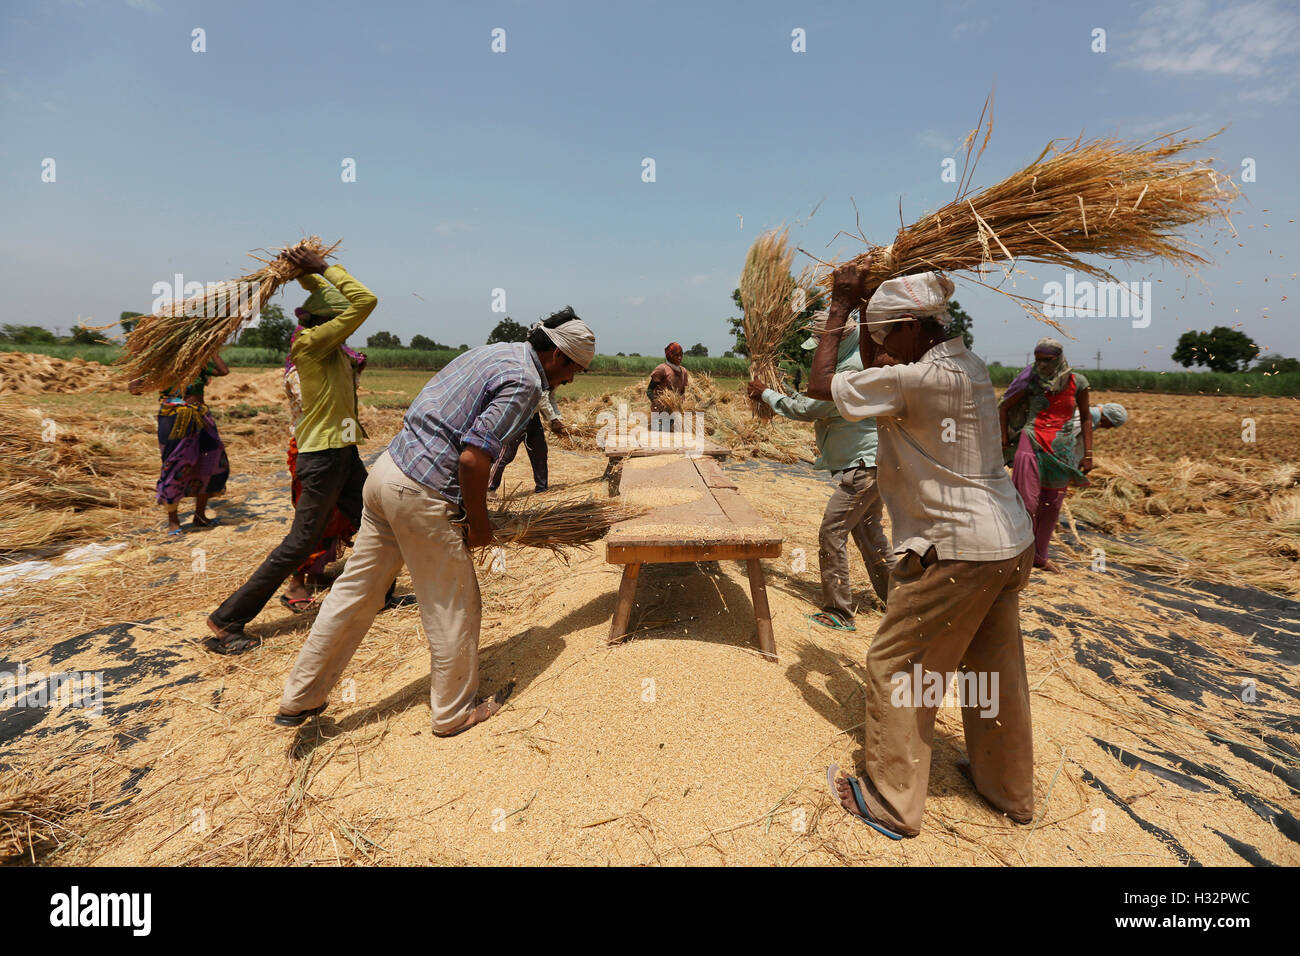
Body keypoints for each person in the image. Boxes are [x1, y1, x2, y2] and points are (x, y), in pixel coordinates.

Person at [275, 308, 596, 736]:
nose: (571, 380)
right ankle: (452, 713)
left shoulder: (496, 352)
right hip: (421, 494)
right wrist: (479, 526)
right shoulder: (526, 381)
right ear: (558, 356)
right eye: (574, 369)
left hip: (388, 472)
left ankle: (299, 698)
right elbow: (473, 457)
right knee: (455, 605)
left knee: (353, 594)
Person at [806, 263, 1035, 840]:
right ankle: (1007, 790)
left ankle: (891, 802)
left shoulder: (918, 381)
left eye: (886, 335)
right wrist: (866, 310)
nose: (879, 349)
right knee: (993, 669)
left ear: (912, 327)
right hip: (1009, 541)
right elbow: (881, 363)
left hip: (957, 549)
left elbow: (819, 387)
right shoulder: (969, 365)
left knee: (895, 664)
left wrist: (838, 308)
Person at [205, 246, 377, 654]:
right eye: (341, 320)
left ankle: (378, 593)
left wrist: (304, 274)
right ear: (326, 322)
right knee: (300, 543)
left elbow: (346, 301)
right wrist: (326, 269)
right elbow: (365, 300)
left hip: (343, 452)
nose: (348, 327)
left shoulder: (330, 347)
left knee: (374, 521)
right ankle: (227, 620)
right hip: (321, 457)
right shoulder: (313, 345)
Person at [746, 322, 891, 630]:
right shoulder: (855, 362)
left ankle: (839, 612)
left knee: (832, 531)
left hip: (863, 467)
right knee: (868, 534)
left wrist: (767, 394)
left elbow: (809, 408)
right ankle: (898, 600)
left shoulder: (849, 370)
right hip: (875, 463)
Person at [279, 305, 369, 611]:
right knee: (312, 524)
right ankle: (295, 584)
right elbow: (316, 407)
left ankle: (318, 574)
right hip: (314, 450)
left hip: (339, 449)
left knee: (346, 514)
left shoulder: (336, 359)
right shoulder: (303, 365)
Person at [998, 339, 1100, 572]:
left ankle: (1039, 557)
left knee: (1051, 505)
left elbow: (1085, 417)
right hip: (1031, 441)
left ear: (1059, 358)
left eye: (1048, 360)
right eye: (1039, 360)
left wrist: (1088, 454)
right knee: (1027, 503)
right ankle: (1017, 554)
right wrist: (1004, 437)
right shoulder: (1032, 379)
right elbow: (1004, 405)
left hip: (1061, 448)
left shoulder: (1078, 382)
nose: (1042, 365)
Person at [131, 357, 231, 534]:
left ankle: (200, 516)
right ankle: (173, 520)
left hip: (201, 416)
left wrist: (211, 350)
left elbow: (223, 371)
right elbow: (134, 390)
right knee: (174, 466)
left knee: (211, 463)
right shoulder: (161, 364)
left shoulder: (198, 362)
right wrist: (143, 361)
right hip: (173, 418)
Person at [487, 386, 566, 495]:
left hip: (534, 419)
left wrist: (559, 418)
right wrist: (554, 419)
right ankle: (490, 488)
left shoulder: (553, 380)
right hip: (518, 418)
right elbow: (542, 398)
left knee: (539, 453)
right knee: (505, 455)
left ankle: (541, 488)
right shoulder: (540, 377)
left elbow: (550, 398)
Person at [648, 342, 689, 431]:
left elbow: (682, 392)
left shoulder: (684, 372)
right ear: (670, 355)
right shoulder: (662, 369)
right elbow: (649, 391)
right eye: (676, 355)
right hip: (660, 413)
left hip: (675, 413)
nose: (679, 358)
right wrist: (657, 403)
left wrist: (680, 405)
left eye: (681, 355)